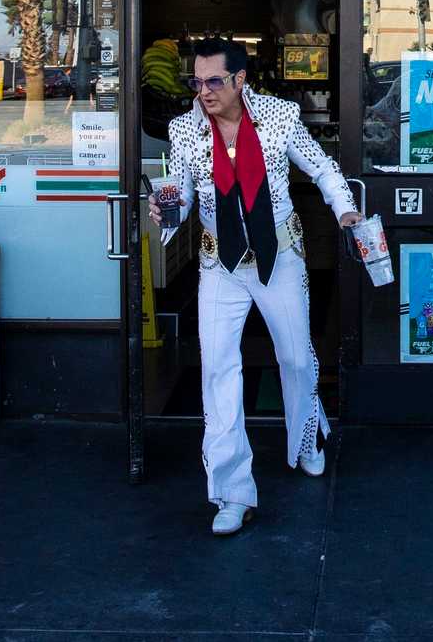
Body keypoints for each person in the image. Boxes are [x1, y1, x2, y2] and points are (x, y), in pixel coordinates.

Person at [151, 36, 360, 537]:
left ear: (240, 79)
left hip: (280, 258)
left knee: (295, 357)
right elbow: (178, 194)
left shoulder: (280, 117)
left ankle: (307, 438)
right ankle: (231, 492)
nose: (204, 91)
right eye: (196, 82)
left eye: (214, 81)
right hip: (218, 263)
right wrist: (167, 210)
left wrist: (344, 208)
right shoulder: (184, 131)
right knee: (219, 370)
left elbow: (322, 167)